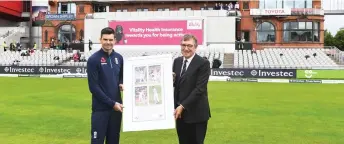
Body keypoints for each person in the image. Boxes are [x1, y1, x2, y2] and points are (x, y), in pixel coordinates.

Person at [87, 27, 124, 144]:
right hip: (100, 109)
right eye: (105, 39)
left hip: (117, 109)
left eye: (111, 40)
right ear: (100, 39)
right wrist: (112, 103)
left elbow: (121, 77)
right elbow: (93, 87)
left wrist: (121, 83)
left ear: (115, 40)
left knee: (113, 141)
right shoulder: (93, 59)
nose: (108, 42)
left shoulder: (119, 58)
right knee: (97, 141)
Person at [172, 34, 211, 144]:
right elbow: (177, 85)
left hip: (196, 114)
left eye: (189, 45)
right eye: (183, 45)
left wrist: (182, 106)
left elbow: (199, 89)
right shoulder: (177, 61)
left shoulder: (203, 63)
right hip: (180, 115)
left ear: (195, 47)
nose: (186, 48)